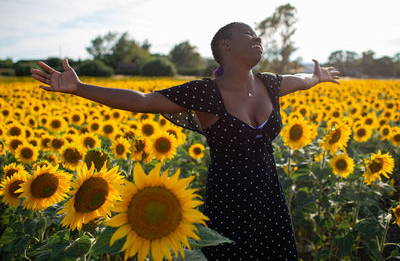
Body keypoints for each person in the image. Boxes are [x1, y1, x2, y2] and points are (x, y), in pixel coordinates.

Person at [31, 21, 340, 260]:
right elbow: (142, 101)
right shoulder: (206, 92)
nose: (257, 37)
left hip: (271, 200)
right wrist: (80, 87)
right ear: (226, 45)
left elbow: (301, 81)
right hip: (229, 204)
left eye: (258, 34)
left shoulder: (269, 83)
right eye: (248, 34)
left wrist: (318, 77)